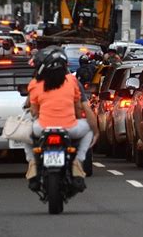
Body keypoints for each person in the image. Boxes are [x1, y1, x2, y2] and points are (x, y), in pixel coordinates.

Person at [24, 46, 99, 191]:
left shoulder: (35, 84)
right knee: (88, 130)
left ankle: (32, 163)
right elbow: (82, 108)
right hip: (70, 128)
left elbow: (34, 112)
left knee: (25, 134)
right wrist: (95, 131)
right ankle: (78, 161)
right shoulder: (72, 81)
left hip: (42, 128)